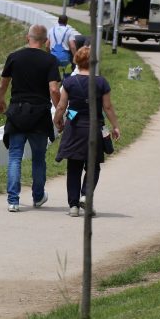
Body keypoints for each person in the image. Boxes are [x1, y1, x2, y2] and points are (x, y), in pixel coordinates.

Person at [0, 24, 61, 212]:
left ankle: (13, 201)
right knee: (39, 158)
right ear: (45, 41)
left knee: (15, 156)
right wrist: (59, 112)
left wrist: (0, 101)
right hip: (40, 114)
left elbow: (3, 84)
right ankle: (38, 196)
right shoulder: (50, 60)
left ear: (28, 38)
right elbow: (54, 89)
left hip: (17, 112)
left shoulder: (14, 57)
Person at [53, 47, 121, 217]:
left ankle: (73, 206)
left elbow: (61, 106)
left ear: (76, 60)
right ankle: (85, 195)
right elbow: (107, 107)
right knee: (93, 166)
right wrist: (115, 126)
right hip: (94, 128)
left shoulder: (69, 82)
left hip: (74, 128)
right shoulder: (101, 82)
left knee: (74, 167)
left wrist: (57, 121)